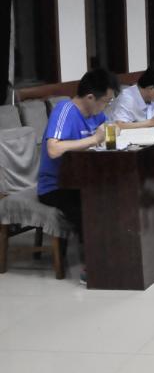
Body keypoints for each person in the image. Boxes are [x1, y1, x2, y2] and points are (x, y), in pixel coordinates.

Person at [37, 68, 121, 284]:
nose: (107, 106)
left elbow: (107, 128)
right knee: (91, 206)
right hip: (56, 186)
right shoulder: (64, 111)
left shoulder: (95, 113)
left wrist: (112, 130)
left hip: (83, 180)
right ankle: (93, 268)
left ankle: (118, 255)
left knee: (117, 195)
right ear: (90, 97)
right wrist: (94, 140)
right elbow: (53, 149)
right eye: (106, 101)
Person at [109, 64, 154, 128]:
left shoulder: (151, 98)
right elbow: (118, 125)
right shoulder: (127, 98)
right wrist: (151, 122)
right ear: (151, 88)